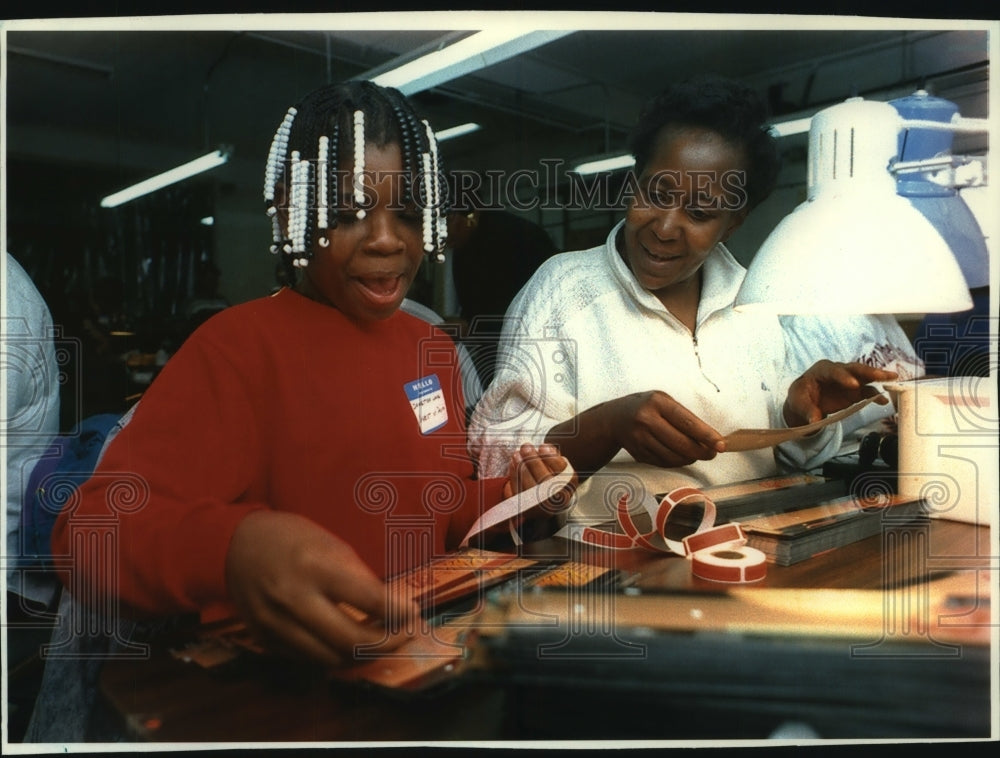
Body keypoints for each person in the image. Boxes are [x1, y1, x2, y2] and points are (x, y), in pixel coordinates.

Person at [49, 81, 573, 673]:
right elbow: (89, 534)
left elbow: (441, 511)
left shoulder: (430, 347)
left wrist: (517, 501)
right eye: (349, 214)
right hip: (284, 685)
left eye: (407, 213)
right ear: (291, 210)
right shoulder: (237, 348)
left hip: (408, 661)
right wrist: (234, 548)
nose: (384, 239)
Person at [468, 75, 897, 519]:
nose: (666, 227)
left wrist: (799, 417)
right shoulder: (561, 290)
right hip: (612, 565)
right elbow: (498, 467)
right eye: (655, 194)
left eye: (699, 213)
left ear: (733, 223)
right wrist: (606, 427)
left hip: (745, 548)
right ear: (633, 182)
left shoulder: (750, 300)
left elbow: (788, 463)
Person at [445, 187, 558, 388]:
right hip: (498, 349)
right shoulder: (465, 245)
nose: (443, 241)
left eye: (442, 225)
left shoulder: (514, 237)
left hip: (536, 348)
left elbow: (521, 306)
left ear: (457, 216)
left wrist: (470, 325)